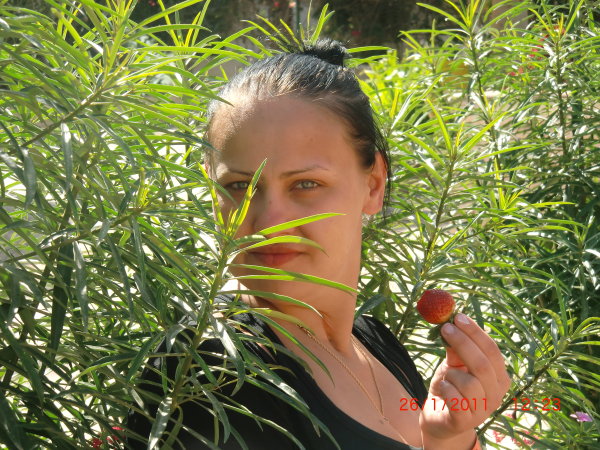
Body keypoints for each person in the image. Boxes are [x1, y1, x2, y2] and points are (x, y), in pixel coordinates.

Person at [127, 38, 511, 449]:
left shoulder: (376, 342)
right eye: (239, 186)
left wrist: (450, 436)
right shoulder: (208, 375)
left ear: (373, 185)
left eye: (306, 184)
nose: (270, 224)